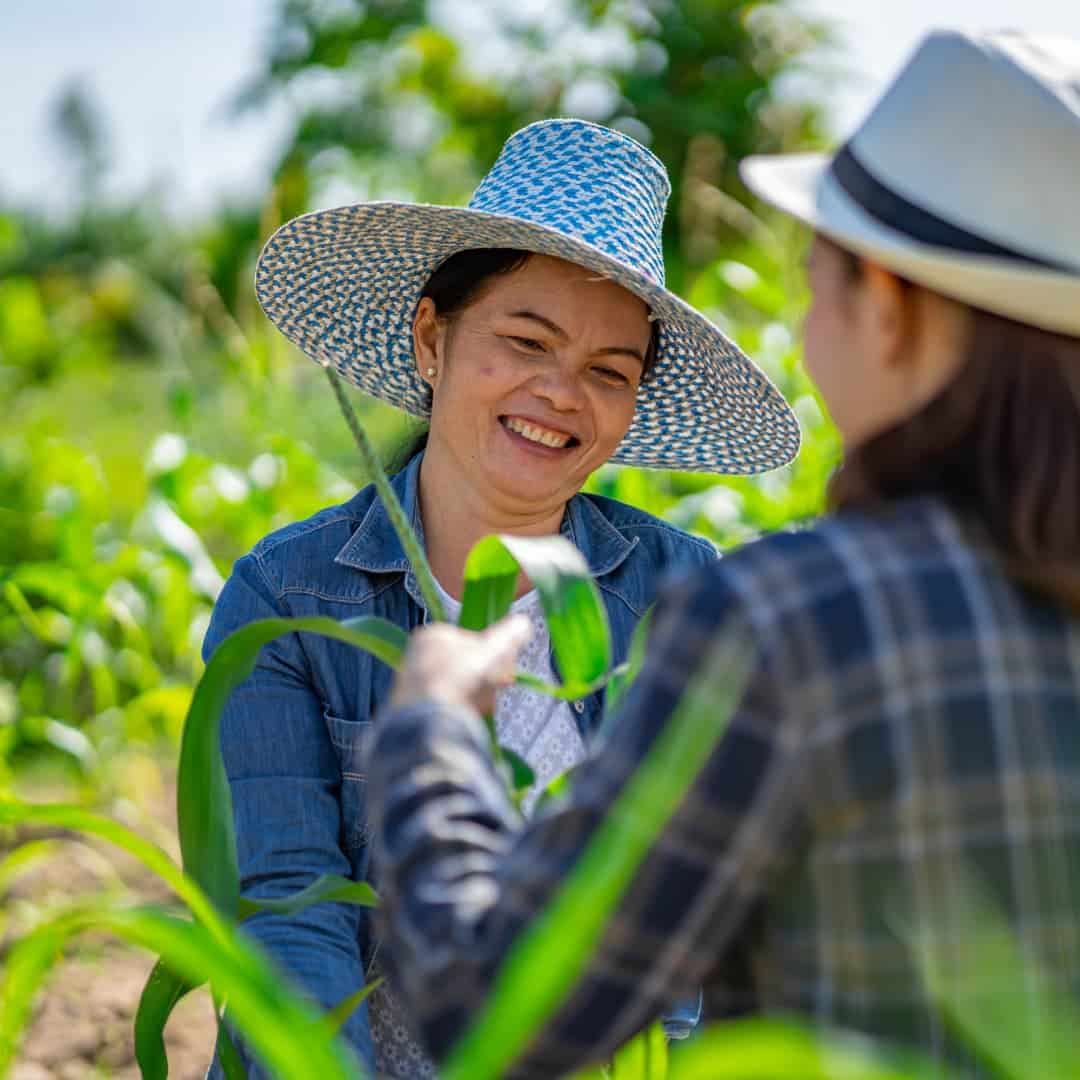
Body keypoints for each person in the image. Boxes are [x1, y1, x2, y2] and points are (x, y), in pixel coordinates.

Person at [367, 29, 1080, 1078]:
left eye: (819, 275)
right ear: (436, 339)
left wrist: (430, 733)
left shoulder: (792, 620)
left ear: (883, 307)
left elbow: (503, 1009)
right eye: (523, 342)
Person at [203, 118, 799, 1077]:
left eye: (610, 372)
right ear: (432, 338)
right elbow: (289, 906)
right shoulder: (289, 595)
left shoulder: (685, 591)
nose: (562, 393)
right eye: (527, 341)